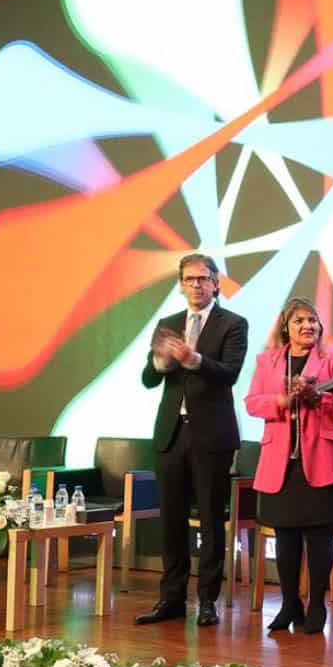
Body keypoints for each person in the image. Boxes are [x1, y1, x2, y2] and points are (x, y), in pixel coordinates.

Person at [136, 253, 249, 627]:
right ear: (180, 285)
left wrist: (193, 358)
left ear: (216, 283)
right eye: (189, 279)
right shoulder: (168, 324)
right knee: (172, 520)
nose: (196, 285)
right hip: (171, 434)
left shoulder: (233, 324)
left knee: (212, 522)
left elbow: (229, 372)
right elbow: (148, 379)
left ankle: (207, 601)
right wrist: (160, 363)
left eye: (203, 278)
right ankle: (171, 598)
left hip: (211, 436)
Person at [244, 297, 333, 635]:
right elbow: (252, 403)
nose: (308, 326)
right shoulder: (268, 360)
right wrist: (281, 401)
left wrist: (316, 397)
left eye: (312, 320)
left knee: (320, 535)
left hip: (322, 460)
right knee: (286, 535)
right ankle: (290, 604)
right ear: (286, 327)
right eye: (299, 321)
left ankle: (317, 604)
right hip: (281, 463)